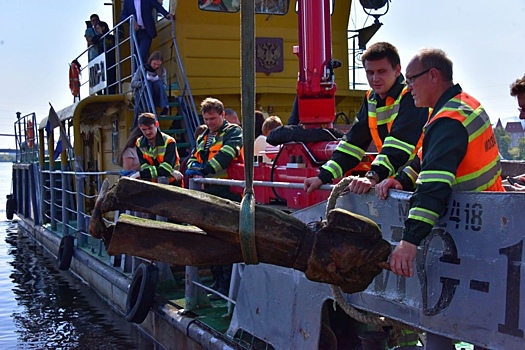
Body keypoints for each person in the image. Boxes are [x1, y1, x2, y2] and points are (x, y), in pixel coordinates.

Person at [375, 48, 505, 278]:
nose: (408, 87)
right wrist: (402, 180)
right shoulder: (463, 105)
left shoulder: (447, 121)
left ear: (433, 75)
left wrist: (409, 241)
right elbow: (429, 155)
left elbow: (433, 188)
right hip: (490, 217)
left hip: (474, 230)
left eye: (411, 79)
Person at [304, 42, 428, 194]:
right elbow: (353, 143)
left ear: (397, 70)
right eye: (370, 73)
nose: (375, 78)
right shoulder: (371, 98)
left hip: (420, 181)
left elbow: (399, 144)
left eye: (381, 71)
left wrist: (373, 176)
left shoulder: (410, 96)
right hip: (394, 184)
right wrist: (322, 176)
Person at [185, 97, 243, 298]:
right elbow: (194, 156)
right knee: (210, 237)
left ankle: (226, 286)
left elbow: (227, 156)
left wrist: (204, 170)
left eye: (213, 119)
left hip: (229, 192)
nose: (209, 123)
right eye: (206, 119)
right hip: (209, 192)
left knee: (226, 239)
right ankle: (218, 281)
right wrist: (194, 167)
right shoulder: (204, 137)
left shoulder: (234, 132)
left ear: (222, 115)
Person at [120, 0, 174, 66]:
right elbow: (123, 16)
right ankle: (137, 75)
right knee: (135, 57)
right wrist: (132, 21)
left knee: (142, 55)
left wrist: (166, 14)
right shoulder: (128, 1)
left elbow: (157, 5)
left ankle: (140, 75)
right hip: (134, 33)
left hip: (146, 32)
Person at [135, 113, 182, 185]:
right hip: (152, 183)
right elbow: (144, 167)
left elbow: (165, 169)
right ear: (139, 127)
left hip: (172, 183)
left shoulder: (169, 141)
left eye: (150, 128)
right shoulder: (139, 143)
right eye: (144, 129)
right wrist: (170, 171)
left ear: (156, 124)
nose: (147, 132)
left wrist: (140, 174)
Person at [131, 51, 170, 116]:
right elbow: (133, 83)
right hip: (144, 92)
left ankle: (165, 106)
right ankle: (150, 108)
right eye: (154, 64)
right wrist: (143, 83)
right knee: (148, 84)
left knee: (159, 84)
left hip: (156, 91)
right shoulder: (142, 68)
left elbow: (164, 85)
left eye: (158, 64)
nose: (156, 66)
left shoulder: (162, 70)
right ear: (150, 61)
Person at [92, 21, 116, 94]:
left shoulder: (111, 37)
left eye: (98, 28)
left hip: (111, 61)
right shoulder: (98, 38)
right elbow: (94, 40)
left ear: (103, 27)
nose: (97, 30)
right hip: (102, 63)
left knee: (111, 81)